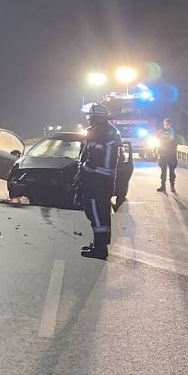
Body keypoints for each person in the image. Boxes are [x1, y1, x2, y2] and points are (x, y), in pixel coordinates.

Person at [77, 103, 121, 260]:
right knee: (102, 212)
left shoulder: (96, 133)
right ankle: (100, 243)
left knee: (95, 212)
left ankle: (100, 249)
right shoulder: (111, 131)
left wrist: (82, 170)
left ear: (95, 118)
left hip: (96, 179)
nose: (88, 120)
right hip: (107, 179)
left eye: (90, 117)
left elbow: (91, 159)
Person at [155, 118, 180, 193]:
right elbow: (156, 139)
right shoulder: (160, 132)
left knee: (172, 171)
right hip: (163, 154)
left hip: (172, 154)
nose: (166, 126)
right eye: (165, 124)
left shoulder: (174, 132)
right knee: (163, 171)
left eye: (168, 124)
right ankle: (163, 186)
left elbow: (179, 140)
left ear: (171, 124)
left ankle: (172, 186)